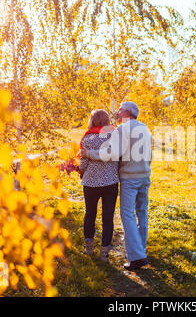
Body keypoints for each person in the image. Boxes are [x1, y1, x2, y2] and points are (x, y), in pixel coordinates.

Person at [81, 102, 152, 271]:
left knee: (127, 214)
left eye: (119, 110)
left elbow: (111, 154)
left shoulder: (122, 129)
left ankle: (136, 257)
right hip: (144, 175)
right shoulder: (145, 128)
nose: (118, 113)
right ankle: (141, 250)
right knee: (142, 213)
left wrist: (88, 153)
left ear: (127, 112)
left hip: (130, 177)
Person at [79, 109, 119, 262]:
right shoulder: (115, 136)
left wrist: (80, 171)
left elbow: (83, 162)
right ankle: (104, 253)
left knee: (90, 214)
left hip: (91, 183)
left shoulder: (88, 138)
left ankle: (89, 249)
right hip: (110, 182)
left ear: (92, 120)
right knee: (108, 217)